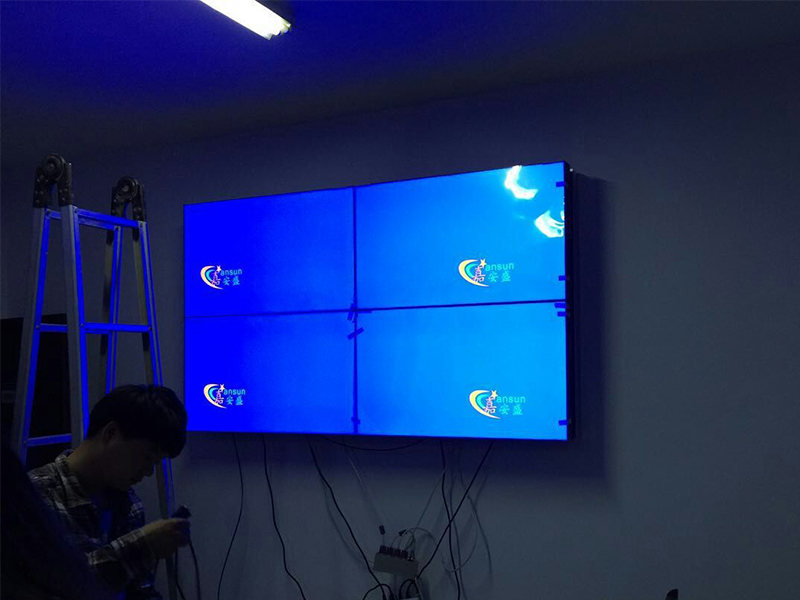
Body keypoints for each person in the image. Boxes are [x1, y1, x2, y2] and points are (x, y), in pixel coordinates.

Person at [27, 384, 191, 600]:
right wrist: (142, 546)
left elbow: (140, 591)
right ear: (111, 433)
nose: (149, 472)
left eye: (155, 463)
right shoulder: (35, 497)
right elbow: (60, 588)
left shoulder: (128, 504)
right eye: (146, 457)